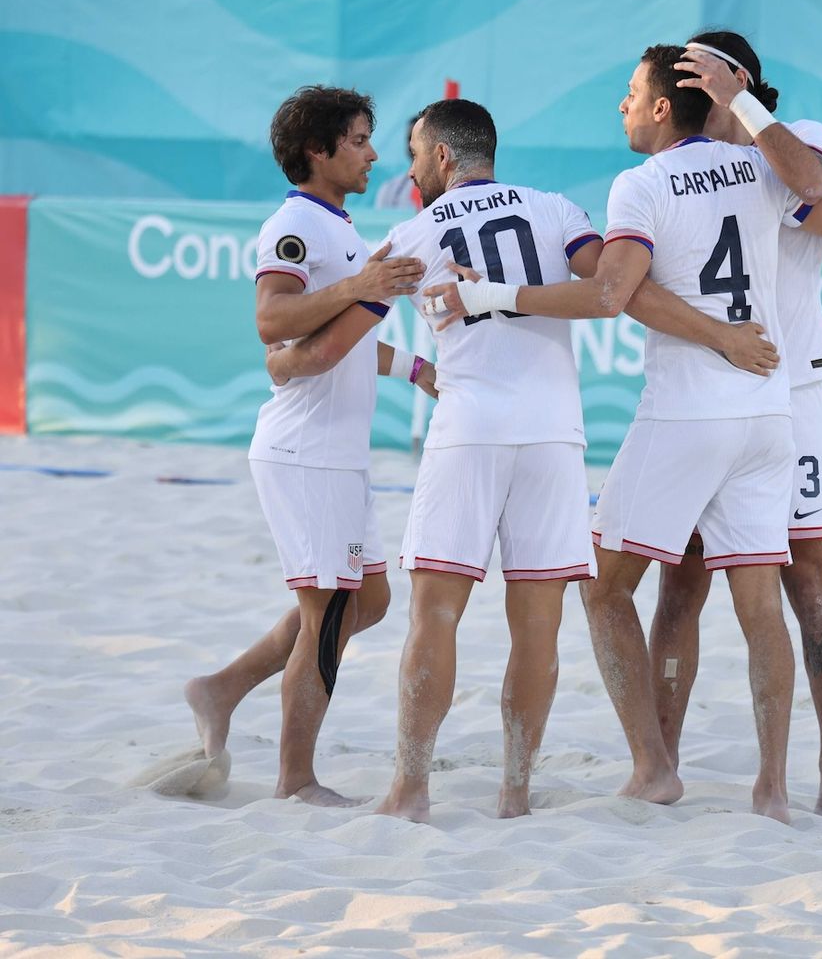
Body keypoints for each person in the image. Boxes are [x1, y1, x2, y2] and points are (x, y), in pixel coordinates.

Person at [266, 97, 782, 822]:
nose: (408, 166)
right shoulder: (558, 210)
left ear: (443, 157)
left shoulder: (416, 232)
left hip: (469, 428)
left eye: (414, 152)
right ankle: (515, 794)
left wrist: (285, 360)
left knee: (436, 616)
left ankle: (410, 791)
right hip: (553, 436)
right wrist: (719, 334)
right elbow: (619, 291)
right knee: (537, 623)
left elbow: (326, 346)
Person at [424, 45, 822, 822]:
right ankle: (773, 790)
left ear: (658, 109)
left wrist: (492, 299)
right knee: (759, 608)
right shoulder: (758, 164)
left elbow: (611, 294)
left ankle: (653, 767)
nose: (620, 105)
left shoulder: (641, 184)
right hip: (768, 409)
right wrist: (742, 102)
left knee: (604, 587)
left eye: (629, 93)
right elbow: (820, 188)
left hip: (688, 413)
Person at [647, 31, 822, 817]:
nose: (693, 83)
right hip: (708, 392)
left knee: (808, 576)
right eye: (688, 75)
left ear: (734, 75)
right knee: (680, 583)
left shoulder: (793, 139)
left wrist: (737, 97)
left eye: (701, 71)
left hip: (793, 391)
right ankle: (663, 763)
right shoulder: (674, 168)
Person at [184, 84, 430, 807]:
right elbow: (273, 319)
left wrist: (419, 370)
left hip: (338, 452)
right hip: (304, 450)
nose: (374, 153)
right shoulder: (293, 225)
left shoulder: (341, 227)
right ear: (317, 150)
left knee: (369, 600)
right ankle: (296, 781)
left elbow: (342, 343)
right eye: (358, 140)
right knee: (327, 612)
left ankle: (221, 688)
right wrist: (363, 283)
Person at [374, 114, 423, 211]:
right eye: (410, 138)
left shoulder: (448, 191)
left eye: (420, 138)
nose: (413, 145)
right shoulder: (389, 190)